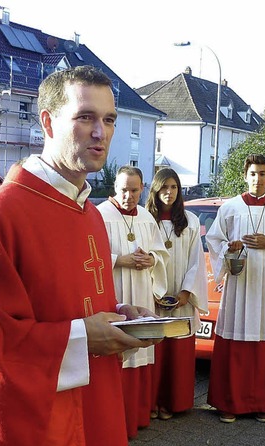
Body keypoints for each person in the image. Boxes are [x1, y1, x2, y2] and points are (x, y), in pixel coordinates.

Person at [0, 65, 157, 446]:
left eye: (109, 119)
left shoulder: (91, 215)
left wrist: (121, 315)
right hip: (37, 425)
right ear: (48, 122)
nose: (101, 132)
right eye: (85, 117)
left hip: (93, 404)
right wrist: (84, 337)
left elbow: (70, 303)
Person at [205, 153, 265, 423]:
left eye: (263, 174)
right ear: (245, 176)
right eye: (253, 174)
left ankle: (262, 402)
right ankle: (229, 403)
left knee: (263, 339)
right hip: (239, 283)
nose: (258, 179)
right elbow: (214, 239)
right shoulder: (230, 207)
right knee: (235, 338)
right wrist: (229, 247)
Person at [97, 165, 169, 439]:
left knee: (139, 352)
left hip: (140, 291)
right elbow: (88, 256)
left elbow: (160, 254)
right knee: (117, 353)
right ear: (115, 187)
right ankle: (115, 423)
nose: (129, 196)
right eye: (124, 190)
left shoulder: (147, 218)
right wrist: (119, 260)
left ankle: (138, 415)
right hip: (113, 294)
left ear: (142, 189)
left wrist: (151, 259)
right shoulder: (100, 215)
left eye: (134, 190)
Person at [145, 168, 208, 420]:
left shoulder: (190, 221)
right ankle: (153, 402)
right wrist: (153, 292)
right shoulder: (146, 220)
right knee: (156, 351)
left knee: (178, 352)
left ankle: (174, 402)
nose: (168, 193)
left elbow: (197, 261)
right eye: (163, 188)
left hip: (181, 296)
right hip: (153, 296)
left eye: (173, 188)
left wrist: (185, 292)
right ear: (155, 190)